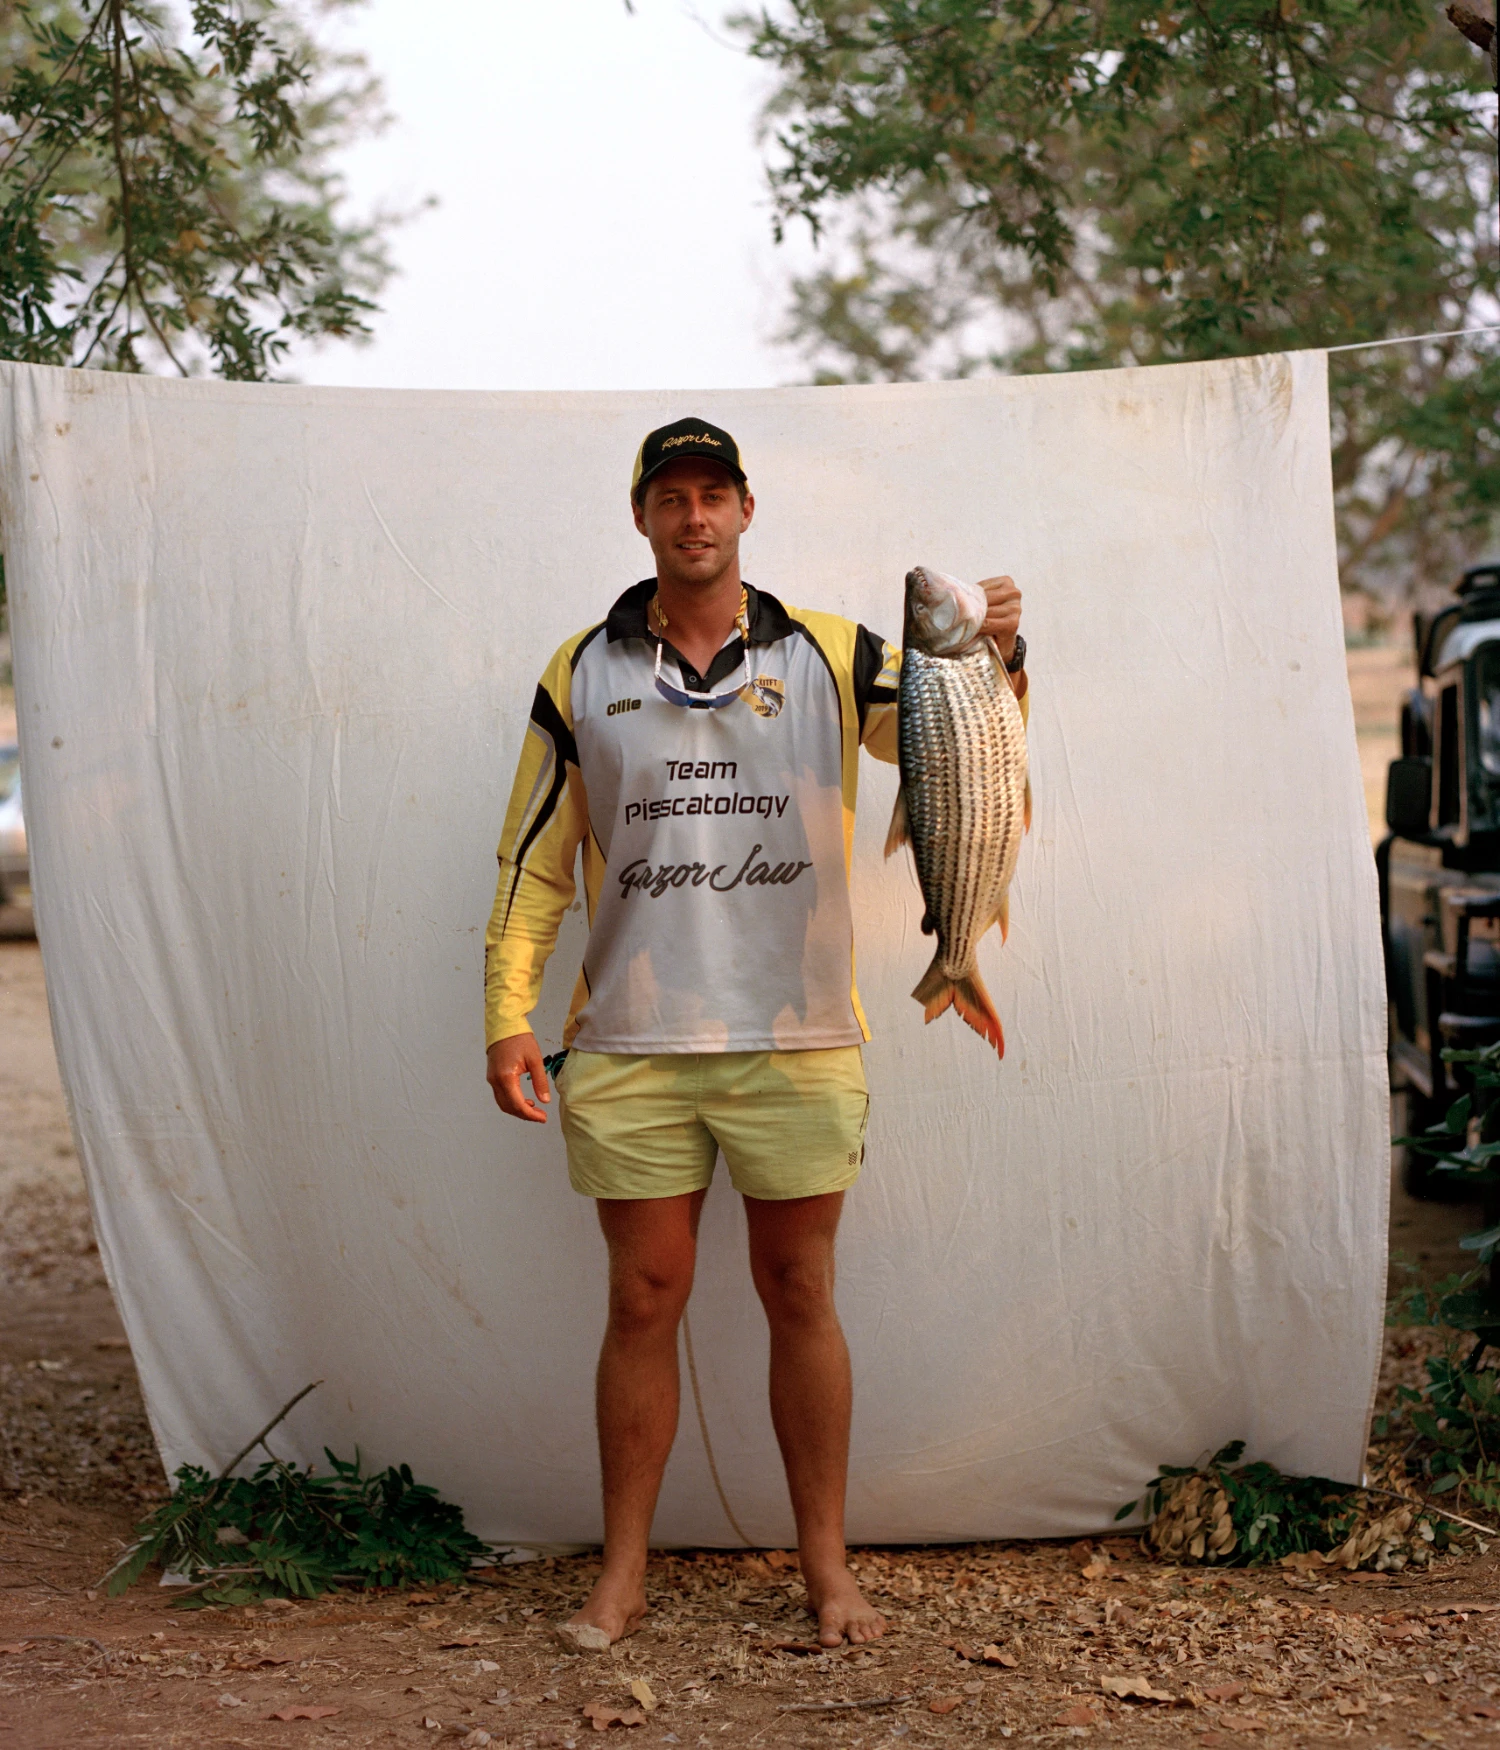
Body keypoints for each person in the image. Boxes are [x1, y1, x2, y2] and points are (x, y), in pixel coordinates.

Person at [484, 417, 1026, 1648]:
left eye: (714, 493)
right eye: (670, 496)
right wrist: (502, 1011)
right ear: (641, 517)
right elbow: (532, 863)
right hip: (629, 1038)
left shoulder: (839, 652)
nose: (694, 516)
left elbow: (957, 731)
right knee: (641, 1298)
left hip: (801, 1039)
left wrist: (1006, 650)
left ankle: (828, 1570)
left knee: (801, 1291)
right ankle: (620, 1576)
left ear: (745, 509)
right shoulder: (579, 668)